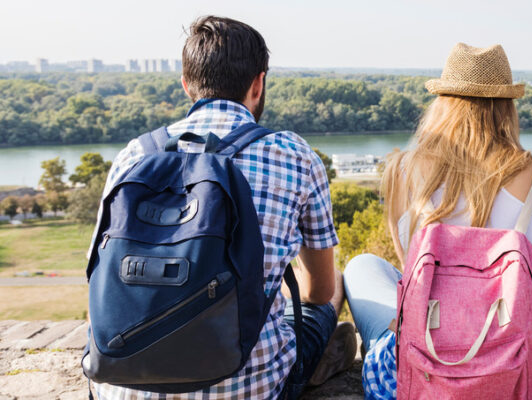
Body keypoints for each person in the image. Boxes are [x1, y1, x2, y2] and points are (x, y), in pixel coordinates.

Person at [343, 43, 532, 399]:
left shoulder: (401, 169)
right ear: (507, 107)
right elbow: (523, 281)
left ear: (441, 103)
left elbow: (411, 274)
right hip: (510, 345)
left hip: (427, 345)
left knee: (362, 267)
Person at [90, 16, 355, 399]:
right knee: (330, 295)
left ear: (186, 86)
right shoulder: (293, 155)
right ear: (258, 83)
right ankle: (315, 360)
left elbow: (97, 272)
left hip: (121, 383)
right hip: (248, 389)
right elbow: (318, 290)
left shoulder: (134, 154)